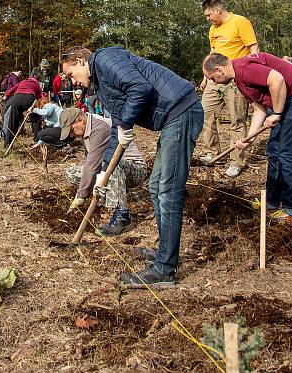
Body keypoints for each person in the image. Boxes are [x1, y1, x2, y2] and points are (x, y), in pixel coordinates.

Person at [61, 46, 203, 289]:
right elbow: (118, 116)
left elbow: (140, 87)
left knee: (167, 191)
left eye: (71, 73)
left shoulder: (104, 59)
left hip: (181, 111)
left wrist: (127, 124)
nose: (73, 81)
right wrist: (116, 140)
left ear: (80, 60)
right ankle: (166, 254)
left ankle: (164, 270)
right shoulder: (101, 83)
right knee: (157, 187)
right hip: (172, 118)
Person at [203, 52, 292, 222]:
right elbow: (259, 109)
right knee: (274, 151)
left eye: (212, 78)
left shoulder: (244, 68)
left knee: (289, 153)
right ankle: (272, 201)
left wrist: (276, 113)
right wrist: (249, 139)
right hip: (289, 99)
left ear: (219, 70)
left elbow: (277, 80)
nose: (213, 82)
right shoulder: (240, 80)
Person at [60, 108, 148, 235]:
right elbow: (89, 161)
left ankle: (122, 217)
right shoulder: (87, 128)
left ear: (79, 120)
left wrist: (81, 195)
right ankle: (107, 194)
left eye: (72, 130)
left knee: (112, 165)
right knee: (72, 172)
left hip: (133, 169)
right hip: (109, 168)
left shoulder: (100, 128)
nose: (72, 135)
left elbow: (93, 165)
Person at [198, 0, 259, 176]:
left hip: (235, 79)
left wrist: (252, 74)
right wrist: (205, 78)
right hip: (214, 80)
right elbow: (212, 54)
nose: (207, 18)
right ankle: (211, 152)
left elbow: (254, 49)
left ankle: (236, 161)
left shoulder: (240, 22)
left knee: (237, 120)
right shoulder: (213, 29)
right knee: (205, 114)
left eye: (209, 14)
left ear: (218, 10)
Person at [2, 76, 42, 147]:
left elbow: (13, 89)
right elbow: (39, 98)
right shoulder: (36, 84)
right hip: (29, 98)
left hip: (16, 98)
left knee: (13, 120)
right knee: (36, 118)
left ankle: (7, 143)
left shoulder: (23, 82)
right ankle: (37, 140)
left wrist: (5, 95)